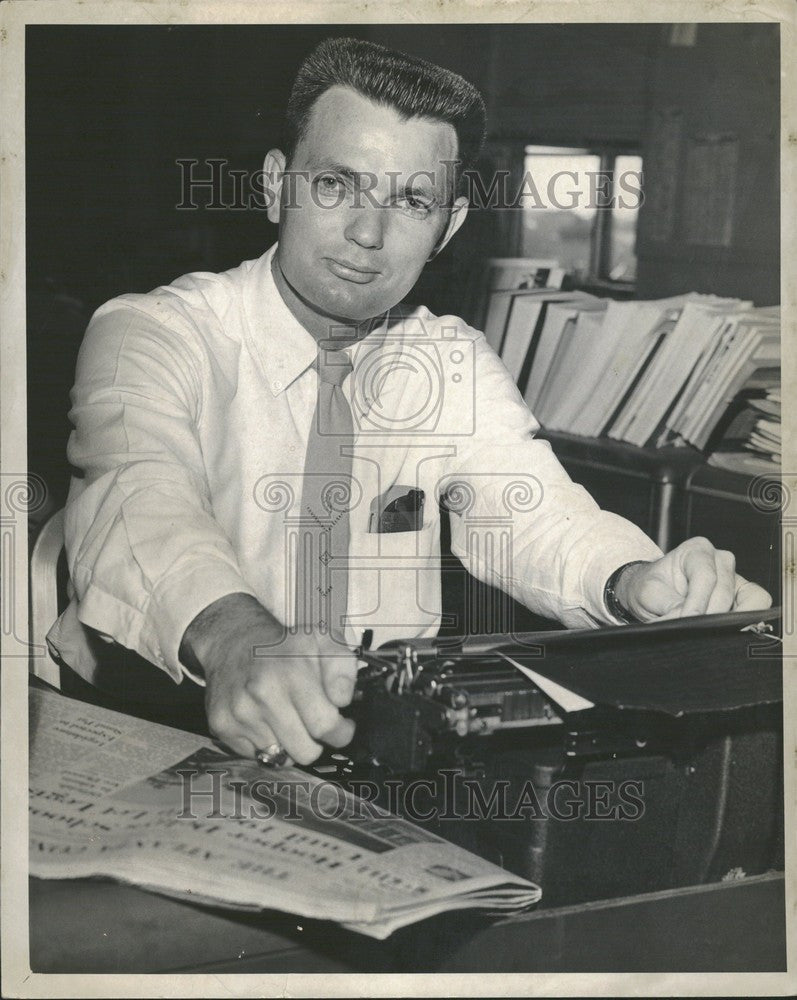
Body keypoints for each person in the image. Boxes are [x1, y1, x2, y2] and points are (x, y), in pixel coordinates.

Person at [48, 37, 771, 765]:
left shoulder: (447, 359)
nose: (367, 233)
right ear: (275, 186)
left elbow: (533, 515)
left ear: (447, 227)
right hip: (157, 727)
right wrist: (237, 640)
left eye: (411, 200)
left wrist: (631, 582)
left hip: (371, 749)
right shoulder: (152, 331)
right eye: (336, 185)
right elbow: (138, 500)